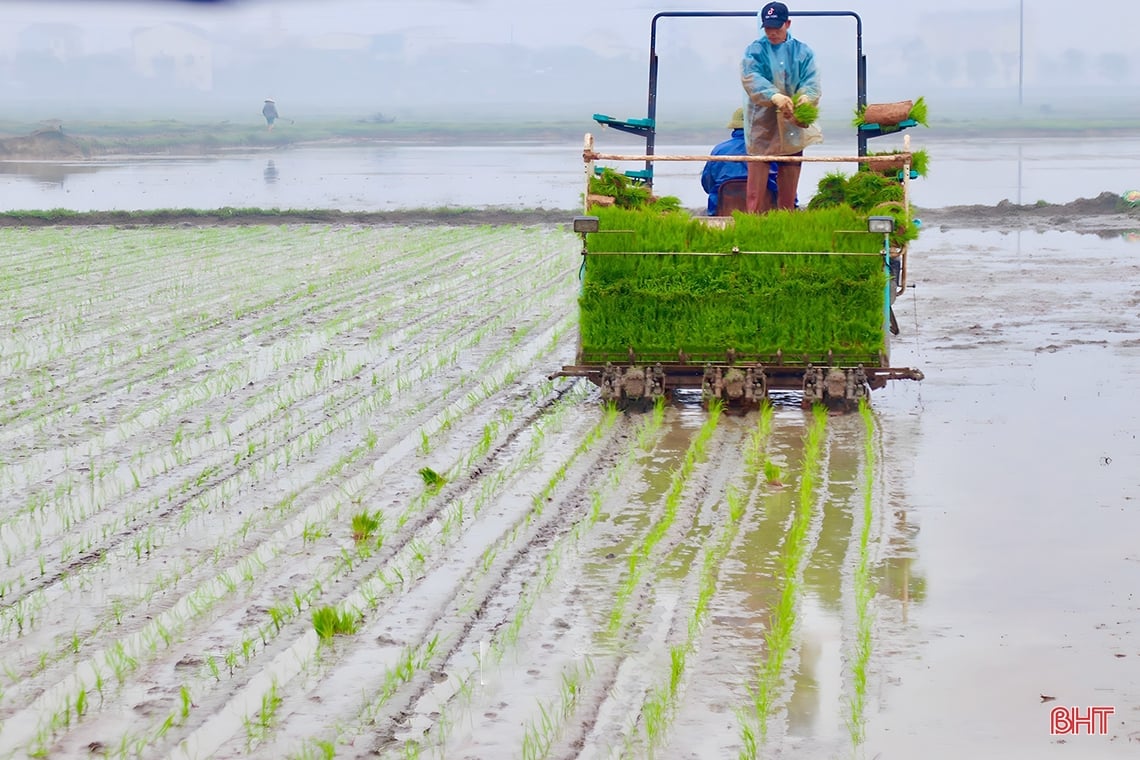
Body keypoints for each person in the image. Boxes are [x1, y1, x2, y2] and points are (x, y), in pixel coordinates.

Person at [740, 1, 821, 213]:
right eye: (768, 28)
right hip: (761, 124)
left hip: (792, 121)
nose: (772, 32)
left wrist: (804, 98)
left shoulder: (803, 52)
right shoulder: (754, 51)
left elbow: (811, 82)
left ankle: (786, 219)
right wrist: (773, 95)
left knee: (789, 178)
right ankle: (753, 222)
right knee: (757, 181)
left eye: (777, 27)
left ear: (788, 23)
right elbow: (751, 77)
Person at [701, 107, 785, 216]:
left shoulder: (719, 150)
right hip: (765, 212)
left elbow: (707, 184)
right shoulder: (772, 150)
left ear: (734, 128)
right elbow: (784, 185)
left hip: (723, 210)